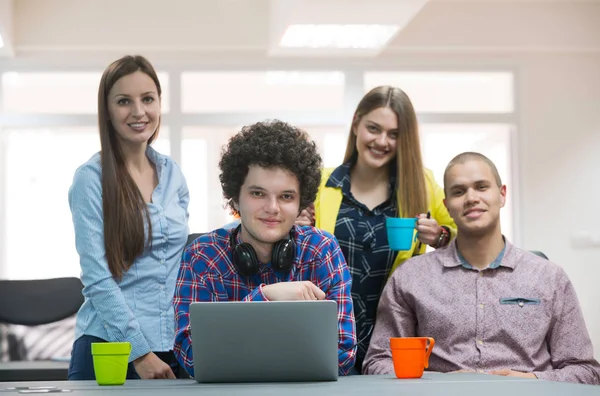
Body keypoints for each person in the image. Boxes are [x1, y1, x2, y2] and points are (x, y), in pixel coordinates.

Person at [362, 152, 600, 385]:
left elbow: (585, 372)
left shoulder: (549, 277)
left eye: (481, 187)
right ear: (447, 205)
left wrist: (530, 380)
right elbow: (378, 362)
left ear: (502, 194)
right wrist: (436, 382)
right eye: (459, 191)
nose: (471, 198)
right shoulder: (410, 277)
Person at [173, 120, 357, 377]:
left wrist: (239, 345)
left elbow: (343, 355)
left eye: (286, 196)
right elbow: (193, 356)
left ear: (301, 202)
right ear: (235, 197)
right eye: (258, 193)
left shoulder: (321, 250)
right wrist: (267, 296)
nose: (272, 208)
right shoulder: (202, 256)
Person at [297, 86, 456, 372]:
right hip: (327, 334)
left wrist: (441, 236)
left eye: (394, 134)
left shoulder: (422, 185)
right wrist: (296, 228)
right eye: (374, 128)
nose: (382, 141)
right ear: (356, 123)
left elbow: (466, 235)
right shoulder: (321, 185)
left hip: (395, 337)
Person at [68, 55, 190, 380]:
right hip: (112, 348)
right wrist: (139, 352)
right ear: (107, 111)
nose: (139, 112)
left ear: (159, 104)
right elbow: (96, 277)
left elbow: (180, 261)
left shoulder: (173, 174)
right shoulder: (90, 179)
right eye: (124, 101)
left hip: (172, 346)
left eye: (147, 99)